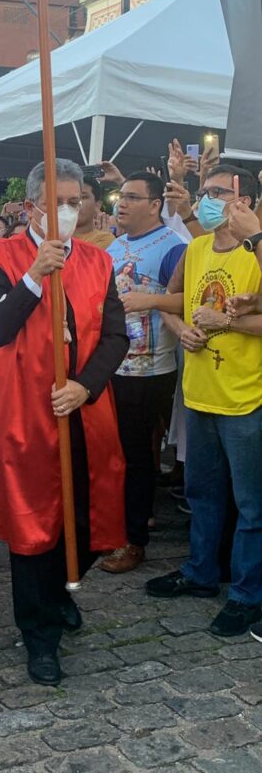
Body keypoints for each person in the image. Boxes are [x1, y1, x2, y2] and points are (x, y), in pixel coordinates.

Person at [0, 158, 128, 686]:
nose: (67, 209)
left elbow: (115, 337)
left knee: (86, 520)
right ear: (31, 205)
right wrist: (35, 276)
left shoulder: (97, 262)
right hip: (26, 412)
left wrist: (86, 384)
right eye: (57, 200)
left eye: (75, 199)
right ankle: (39, 633)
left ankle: (63, 585)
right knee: (34, 527)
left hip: (82, 408)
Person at [146, 165, 262, 638]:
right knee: (202, 493)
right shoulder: (194, 248)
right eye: (204, 192)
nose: (207, 200)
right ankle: (200, 572)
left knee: (251, 504)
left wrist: (224, 323)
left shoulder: (256, 255)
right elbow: (175, 301)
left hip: (245, 398)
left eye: (218, 193)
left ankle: (247, 594)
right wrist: (182, 328)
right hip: (199, 394)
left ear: (247, 202)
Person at [99, 172, 186, 574]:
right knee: (112, 453)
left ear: (155, 205)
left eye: (133, 197)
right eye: (121, 196)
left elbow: (191, 295)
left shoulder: (173, 246)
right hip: (110, 363)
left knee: (136, 456)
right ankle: (111, 529)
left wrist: (149, 299)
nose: (123, 203)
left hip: (150, 366)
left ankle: (134, 540)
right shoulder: (114, 246)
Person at [75, 176, 115, 249]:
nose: (76, 202)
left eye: (83, 197)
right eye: (72, 198)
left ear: (97, 205)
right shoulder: (53, 235)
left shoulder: (104, 239)